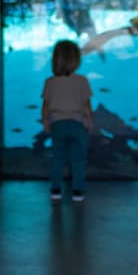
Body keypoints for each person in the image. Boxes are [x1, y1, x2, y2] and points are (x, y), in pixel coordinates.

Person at [41, 39, 94, 202]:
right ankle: (78, 191)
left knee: (58, 158)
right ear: (76, 60)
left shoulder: (50, 82)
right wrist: (90, 122)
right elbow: (86, 105)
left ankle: (56, 190)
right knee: (78, 160)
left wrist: (45, 122)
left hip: (57, 125)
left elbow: (46, 105)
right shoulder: (82, 80)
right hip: (77, 125)